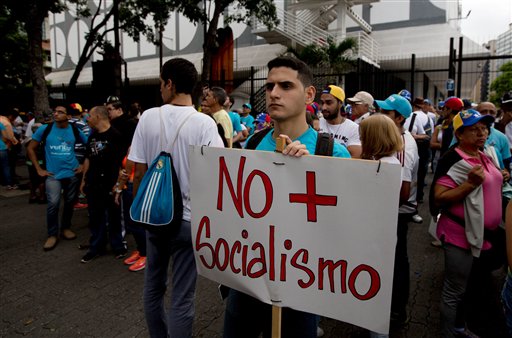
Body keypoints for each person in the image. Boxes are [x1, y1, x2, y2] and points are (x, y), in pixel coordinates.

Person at [223, 56, 351, 338]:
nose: (274, 94)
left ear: (308, 95)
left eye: (285, 86)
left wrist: (311, 173)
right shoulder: (253, 143)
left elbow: (343, 229)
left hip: (301, 286)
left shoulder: (331, 153)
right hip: (247, 280)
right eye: (269, 87)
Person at [128, 58, 224, 338]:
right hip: (188, 222)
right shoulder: (204, 124)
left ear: (169, 83)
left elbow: (138, 173)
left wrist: (141, 214)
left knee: (153, 288)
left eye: (161, 83)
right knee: (183, 297)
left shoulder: (148, 117)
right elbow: (215, 177)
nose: (160, 89)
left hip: (155, 218)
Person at [431, 109, 503, 337]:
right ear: (460, 134)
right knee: (454, 291)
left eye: (484, 128)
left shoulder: (483, 154)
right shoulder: (452, 159)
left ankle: (462, 326)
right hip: (459, 235)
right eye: (474, 129)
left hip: (483, 234)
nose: (482, 133)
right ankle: (448, 332)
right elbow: (439, 197)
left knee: (470, 288)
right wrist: (470, 185)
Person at [375, 94, 418, 327]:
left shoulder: (402, 145)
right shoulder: (394, 138)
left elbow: (402, 192)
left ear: (399, 118)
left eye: (386, 113)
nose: (380, 115)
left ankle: (396, 311)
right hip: (392, 211)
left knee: (397, 261)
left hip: (398, 213)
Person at [359, 113, 404, 338]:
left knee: (375, 292)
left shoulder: (381, 168)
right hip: (381, 236)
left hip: (375, 240)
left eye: (363, 135)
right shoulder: (390, 162)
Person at [27, 106, 87, 251]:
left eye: (60, 112)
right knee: (53, 203)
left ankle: (66, 228)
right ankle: (52, 234)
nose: (56, 114)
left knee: (69, 202)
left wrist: (82, 165)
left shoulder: (74, 129)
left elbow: (89, 145)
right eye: (55, 111)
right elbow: (30, 148)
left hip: (72, 174)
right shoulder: (45, 129)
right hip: (53, 175)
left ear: (68, 116)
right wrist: (38, 169)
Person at [80, 105, 126, 263]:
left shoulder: (116, 136)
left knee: (114, 216)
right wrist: (84, 180)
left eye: (90, 116)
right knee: (95, 217)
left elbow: (123, 164)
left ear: (98, 117)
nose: (88, 119)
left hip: (111, 184)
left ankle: (118, 246)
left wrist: (119, 185)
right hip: (93, 183)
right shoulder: (92, 137)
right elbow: (88, 158)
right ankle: (96, 247)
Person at [319, 85, 362, 158]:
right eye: (322, 103)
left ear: (340, 103)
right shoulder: (316, 124)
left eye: (329, 103)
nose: (324, 107)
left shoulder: (353, 128)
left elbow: (354, 160)